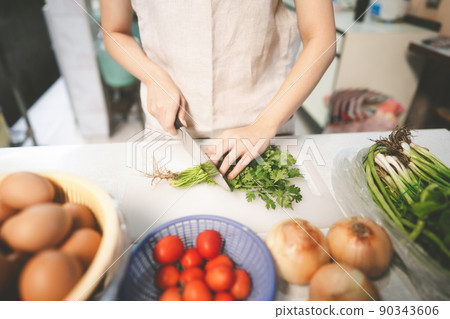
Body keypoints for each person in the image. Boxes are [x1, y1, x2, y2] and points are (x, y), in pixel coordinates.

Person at [101, 0, 336, 179]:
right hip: (172, 126)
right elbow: (114, 30)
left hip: (265, 122)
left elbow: (321, 37)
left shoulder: (266, 124)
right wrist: (153, 76)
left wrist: (265, 124)